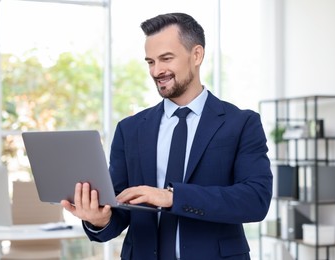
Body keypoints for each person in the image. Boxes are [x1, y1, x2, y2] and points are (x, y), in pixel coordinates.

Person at [61, 12, 272, 260]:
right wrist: (100, 218)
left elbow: (255, 200)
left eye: (166, 59)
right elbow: (119, 208)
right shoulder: (130, 129)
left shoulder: (241, 123)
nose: (157, 70)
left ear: (196, 55)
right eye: (150, 62)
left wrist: (172, 197)